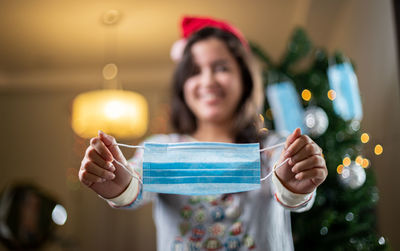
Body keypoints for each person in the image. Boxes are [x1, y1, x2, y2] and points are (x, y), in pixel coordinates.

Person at [79, 16, 328, 251]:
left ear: (245, 79)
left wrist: (294, 184)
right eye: (195, 71)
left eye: (221, 68)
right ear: (182, 86)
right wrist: (117, 183)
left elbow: (292, 192)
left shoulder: (274, 146)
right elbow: (134, 186)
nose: (207, 80)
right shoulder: (162, 149)